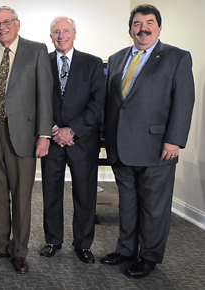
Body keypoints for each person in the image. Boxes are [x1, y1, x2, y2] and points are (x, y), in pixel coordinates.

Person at [101, 4, 194, 278]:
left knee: (154, 208)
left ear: (159, 27)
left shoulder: (176, 57)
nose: (143, 28)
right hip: (121, 146)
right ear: (130, 29)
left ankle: (149, 256)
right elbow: (112, 102)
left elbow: (183, 101)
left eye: (149, 22)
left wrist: (174, 140)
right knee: (127, 204)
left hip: (158, 147)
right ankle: (126, 249)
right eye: (138, 23)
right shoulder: (117, 58)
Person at [0, 6, 53, 273]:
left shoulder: (36, 50)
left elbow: (44, 95)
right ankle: (1, 243)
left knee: (21, 195)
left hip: (24, 135)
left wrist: (43, 135)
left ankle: (20, 250)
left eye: (6, 22)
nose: (1, 27)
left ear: (18, 24)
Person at [40, 17, 105, 264]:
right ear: (50, 36)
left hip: (83, 142)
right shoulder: (41, 62)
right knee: (51, 194)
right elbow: (37, 102)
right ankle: (52, 241)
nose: (61, 35)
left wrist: (72, 130)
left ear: (75, 34)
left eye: (66, 31)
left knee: (85, 195)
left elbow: (98, 104)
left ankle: (83, 244)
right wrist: (55, 129)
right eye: (56, 32)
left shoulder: (92, 63)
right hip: (52, 141)